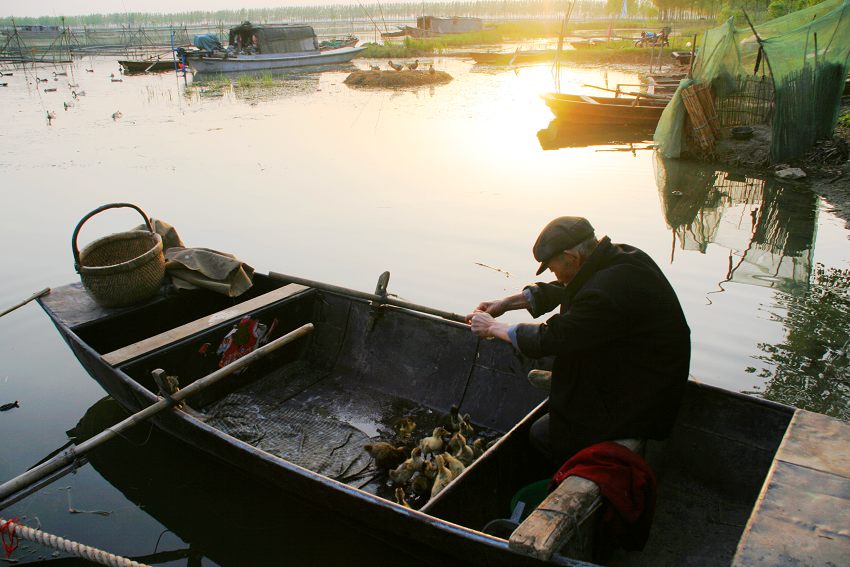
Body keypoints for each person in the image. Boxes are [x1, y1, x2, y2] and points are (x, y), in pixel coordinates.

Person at [467, 216, 690, 466]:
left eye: (553, 267)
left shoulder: (605, 292)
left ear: (571, 257)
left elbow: (553, 337)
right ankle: (565, 380)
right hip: (632, 362)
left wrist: (494, 327)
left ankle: (566, 467)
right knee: (564, 356)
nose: (555, 274)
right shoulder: (619, 259)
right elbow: (567, 288)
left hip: (642, 395)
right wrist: (506, 304)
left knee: (543, 434)